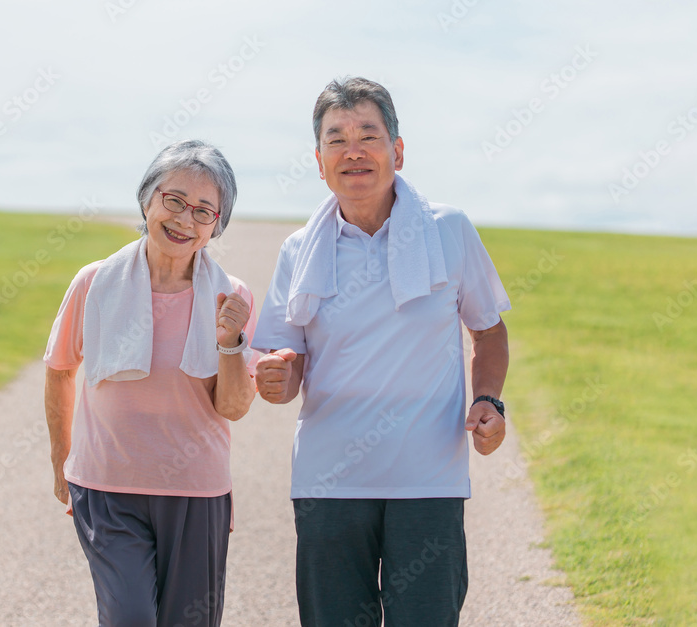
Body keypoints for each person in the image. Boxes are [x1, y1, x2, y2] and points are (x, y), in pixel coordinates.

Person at [251, 77, 511, 627]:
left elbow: (488, 331)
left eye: (368, 133)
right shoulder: (298, 250)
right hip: (328, 482)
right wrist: (277, 376)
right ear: (319, 161)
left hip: (428, 479)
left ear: (397, 149)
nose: (353, 150)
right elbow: (287, 358)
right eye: (336, 138)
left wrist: (489, 400)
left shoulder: (450, 230)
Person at [43, 139, 258, 627]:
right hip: (106, 488)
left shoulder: (232, 296)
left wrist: (231, 340)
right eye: (174, 200)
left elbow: (235, 406)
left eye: (204, 211)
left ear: (217, 226)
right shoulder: (93, 283)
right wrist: (62, 458)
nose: (185, 219)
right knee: (131, 617)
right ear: (147, 200)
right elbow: (59, 369)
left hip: (196, 492)